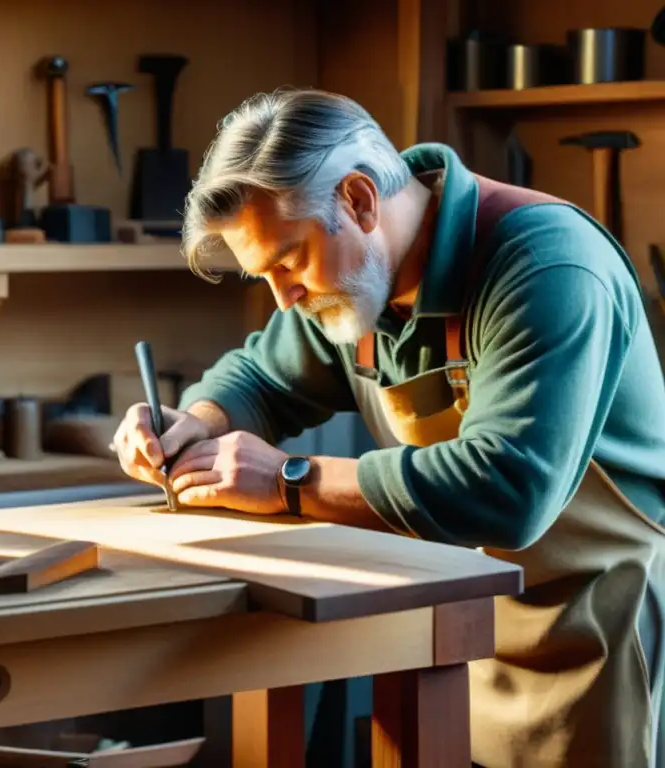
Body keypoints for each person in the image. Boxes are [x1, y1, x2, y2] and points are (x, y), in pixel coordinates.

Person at [112, 89, 665, 768]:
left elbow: (508, 490)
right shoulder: (355, 282)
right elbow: (261, 378)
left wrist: (288, 480)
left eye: (287, 261)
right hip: (461, 624)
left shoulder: (546, 266)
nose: (282, 298)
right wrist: (192, 424)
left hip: (598, 630)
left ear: (360, 200)